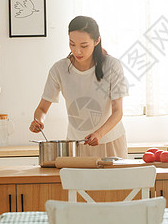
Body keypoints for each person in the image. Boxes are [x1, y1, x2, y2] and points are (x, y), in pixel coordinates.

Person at [30, 16, 129, 158]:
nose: (77, 51)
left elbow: (117, 111)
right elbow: (42, 108)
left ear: (96, 41)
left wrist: (99, 134)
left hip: (110, 143)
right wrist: (38, 120)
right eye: (72, 44)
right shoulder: (59, 69)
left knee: (115, 181)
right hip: (75, 145)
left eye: (84, 46)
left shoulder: (112, 66)